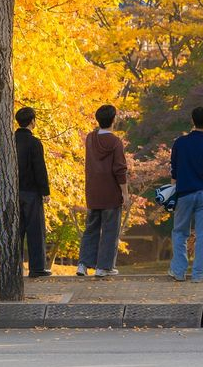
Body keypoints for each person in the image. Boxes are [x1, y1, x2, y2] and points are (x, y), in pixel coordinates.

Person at [168, 106, 203, 283]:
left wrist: (171, 193)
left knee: (179, 232)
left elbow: (174, 171)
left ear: (192, 120)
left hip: (184, 193)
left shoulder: (180, 143)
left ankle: (179, 271)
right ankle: (199, 273)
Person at [76, 104, 130, 278]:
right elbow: (120, 170)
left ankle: (83, 264)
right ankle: (103, 267)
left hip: (93, 191)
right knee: (109, 230)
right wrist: (125, 194)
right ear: (113, 120)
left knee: (90, 229)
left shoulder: (90, 139)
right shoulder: (115, 142)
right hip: (111, 192)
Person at [11, 106, 52, 278]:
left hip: (13, 192)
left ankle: (13, 268)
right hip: (32, 193)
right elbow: (39, 169)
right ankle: (36, 268)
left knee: (15, 231)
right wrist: (45, 191)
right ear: (33, 121)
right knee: (35, 231)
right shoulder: (34, 143)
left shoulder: (10, 140)